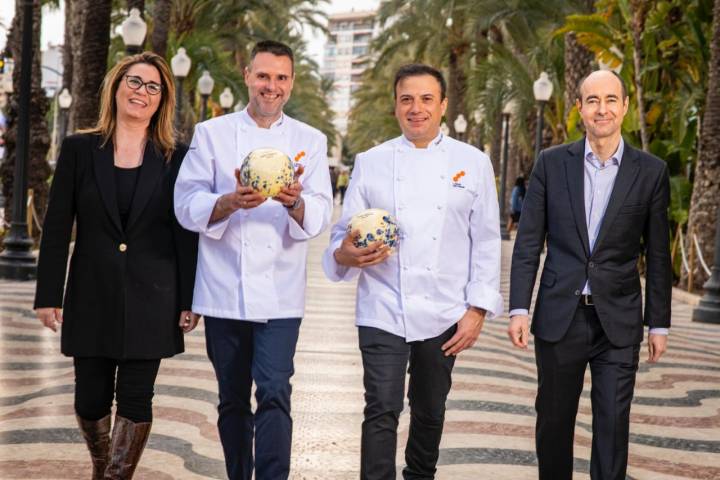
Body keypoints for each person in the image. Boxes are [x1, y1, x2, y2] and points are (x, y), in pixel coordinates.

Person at [323, 64, 503, 480]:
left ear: (442, 105)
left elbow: (487, 240)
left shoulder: (473, 163)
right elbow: (342, 235)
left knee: (429, 410)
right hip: (383, 305)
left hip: (445, 312)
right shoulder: (371, 162)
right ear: (395, 106)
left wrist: (477, 310)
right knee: (381, 407)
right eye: (407, 99)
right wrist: (346, 253)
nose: (416, 108)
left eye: (426, 99)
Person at [34, 52, 199, 480]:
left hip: (154, 296)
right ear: (116, 85)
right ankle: (102, 464)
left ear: (162, 99)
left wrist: (189, 299)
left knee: (136, 399)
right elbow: (56, 226)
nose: (141, 92)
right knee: (90, 400)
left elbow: (185, 232)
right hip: (92, 293)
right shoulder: (79, 149)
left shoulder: (176, 157)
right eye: (134, 81)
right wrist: (48, 294)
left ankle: (114, 476)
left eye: (152, 87)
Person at [174, 40, 332, 480]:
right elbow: (185, 204)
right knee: (231, 398)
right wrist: (227, 203)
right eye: (263, 76)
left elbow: (321, 212)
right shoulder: (212, 134)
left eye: (281, 78)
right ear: (247, 76)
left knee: (276, 389)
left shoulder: (310, 141)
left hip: (282, 293)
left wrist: (295, 204)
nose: (272, 86)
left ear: (292, 82)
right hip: (224, 289)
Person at [508, 70, 671, 480]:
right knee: (553, 422)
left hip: (618, 319)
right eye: (593, 100)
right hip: (559, 316)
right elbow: (529, 240)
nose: (603, 109)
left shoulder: (650, 172)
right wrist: (518, 308)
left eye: (611, 99)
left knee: (613, 426)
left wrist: (659, 322)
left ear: (625, 107)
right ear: (578, 108)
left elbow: (656, 252)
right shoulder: (550, 163)